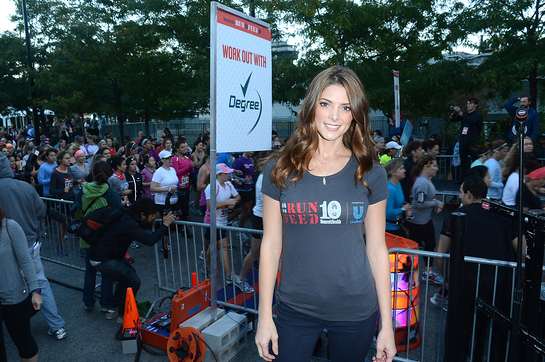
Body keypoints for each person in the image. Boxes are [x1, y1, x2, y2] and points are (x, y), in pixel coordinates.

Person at [255, 66, 395, 362]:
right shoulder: (280, 169)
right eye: (326, 104)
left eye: (345, 107)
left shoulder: (371, 172)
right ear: (311, 107)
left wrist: (388, 325)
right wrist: (264, 315)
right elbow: (270, 244)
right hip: (295, 308)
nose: (334, 117)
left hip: (356, 309)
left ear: (355, 114)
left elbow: (377, 250)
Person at [437, 176, 521, 361]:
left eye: (460, 192)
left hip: (465, 279)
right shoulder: (504, 214)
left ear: (468, 193)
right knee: (496, 329)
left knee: (460, 327)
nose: (459, 197)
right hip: (501, 280)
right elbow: (522, 251)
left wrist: (448, 280)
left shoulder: (455, 216)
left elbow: (441, 252)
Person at [0, 154, 67, 340]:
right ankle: (57, 326)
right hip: (30, 245)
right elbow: (40, 212)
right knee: (40, 284)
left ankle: (18, 330)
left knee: (8, 289)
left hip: (4, 252)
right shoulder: (24, 187)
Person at [88, 198, 176, 323]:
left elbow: (144, 228)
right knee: (133, 281)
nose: (152, 219)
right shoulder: (127, 222)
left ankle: (112, 309)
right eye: (152, 216)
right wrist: (165, 225)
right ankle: (124, 316)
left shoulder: (126, 216)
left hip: (104, 255)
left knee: (127, 276)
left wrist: (163, 221)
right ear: (142, 214)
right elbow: (149, 240)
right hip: (103, 259)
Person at [71, 161, 120, 318]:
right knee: (107, 273)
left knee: (90, 271)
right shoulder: (112, 195)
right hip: (105, 240)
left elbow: (75, 213)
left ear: (92, 173)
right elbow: (118, 218)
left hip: (87, 238)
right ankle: (105, 304)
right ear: (110, 175)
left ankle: (88, 302)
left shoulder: (83, 191)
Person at [0, 206, 42, 362]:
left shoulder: (9, 227)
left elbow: (25, 260)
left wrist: (35, 291)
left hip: (12, 297)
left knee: (23, 341)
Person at [404, 154, 444, 284]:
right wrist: (436, 203)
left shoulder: (424, 180)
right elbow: (417, 204)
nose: (436, 168)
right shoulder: (422, 182)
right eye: (434, 165)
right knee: (414, 249)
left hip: (424, 221)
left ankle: (428, 272)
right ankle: (407, 275)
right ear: (426, 167)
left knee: (430, 244)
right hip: (418, 222)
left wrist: (434, 204)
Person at [449, 98, 483, 175]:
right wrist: (452, 113)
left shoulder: (477, 115)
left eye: (470, 103)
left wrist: (460, 112)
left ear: (475, 105)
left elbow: (471, 121)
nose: (468, 105)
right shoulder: (465, 114)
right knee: (463, 160)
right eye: (467, 103)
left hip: (472, 140)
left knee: (474, 159)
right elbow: (453, 120)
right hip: (463, 140)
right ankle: (463, 178)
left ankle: (476, 176)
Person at [384, 158, 412, 237]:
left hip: (397, 225)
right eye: (401, 169)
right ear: (393, 172)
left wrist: (405, 209)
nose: (404, 170)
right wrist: (403, 209)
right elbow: (388, 212)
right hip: (389, 229)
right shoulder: (390, 189)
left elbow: (397, 203)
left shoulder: (398, 184)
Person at [233, 151, 255, 240]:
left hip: (249, 188)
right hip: (241, 189)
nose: (252, 152)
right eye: (251, 150)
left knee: (250, 212)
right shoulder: (239, 161)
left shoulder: (250, 160)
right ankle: (239, 232)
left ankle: (238, 223)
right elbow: (233, 174)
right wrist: (242, 180)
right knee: (246, 212)